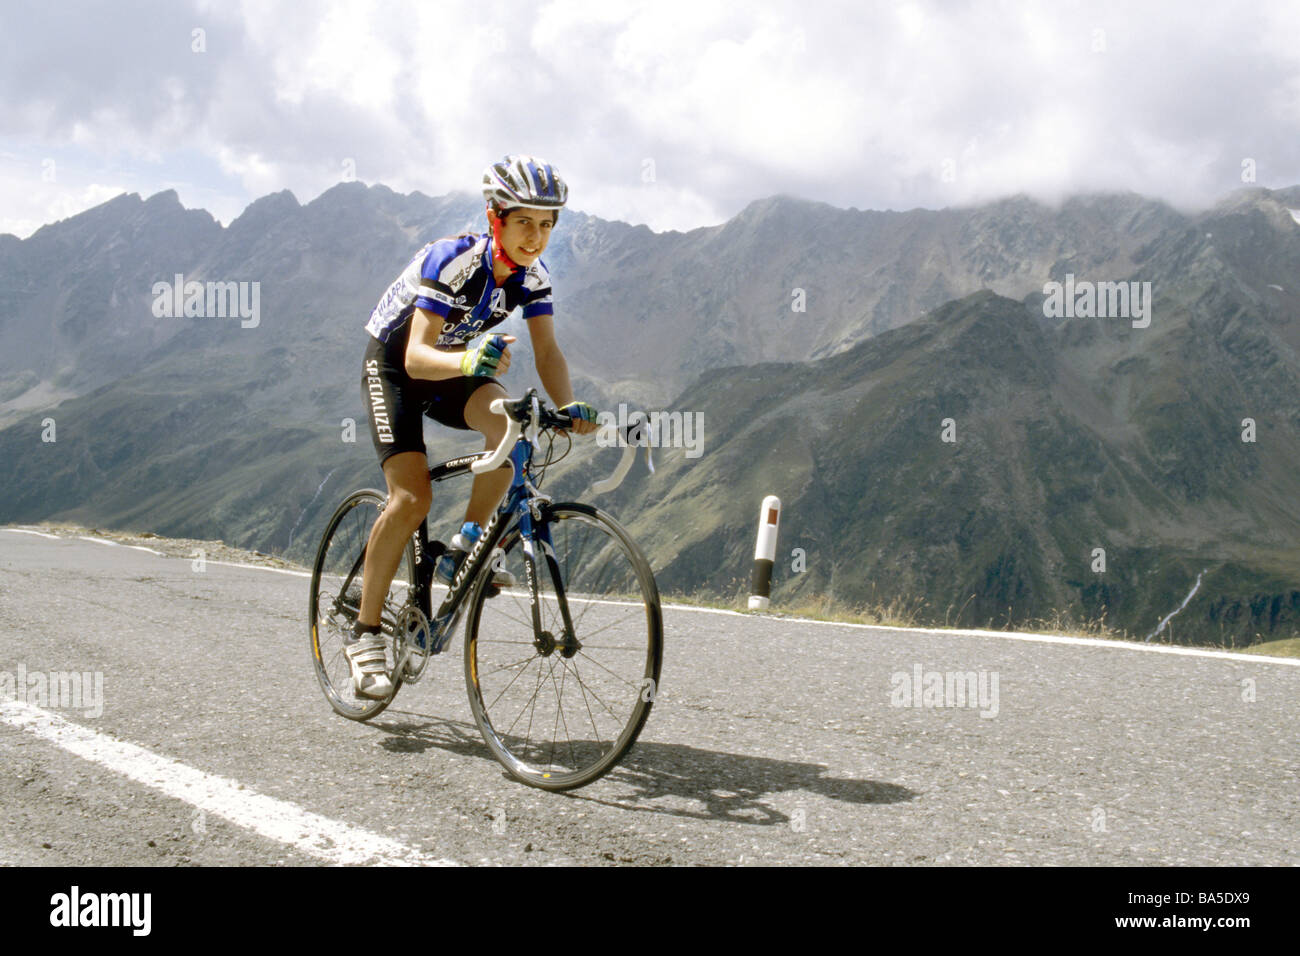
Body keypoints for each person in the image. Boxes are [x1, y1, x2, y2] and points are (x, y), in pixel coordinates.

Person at [348, 154, 597, 699]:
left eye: (547, 224)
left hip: (455, 365)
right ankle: (364, 633)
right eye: (524, 221)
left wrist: (569, 406)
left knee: (511, 427)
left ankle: (465, 544)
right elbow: (415, 356)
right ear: (496, 218)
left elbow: (548, 349)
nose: (536, 236)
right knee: (412, 499)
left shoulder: (533, 277)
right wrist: (468, 360)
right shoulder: (452, 259)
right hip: (396, 366)